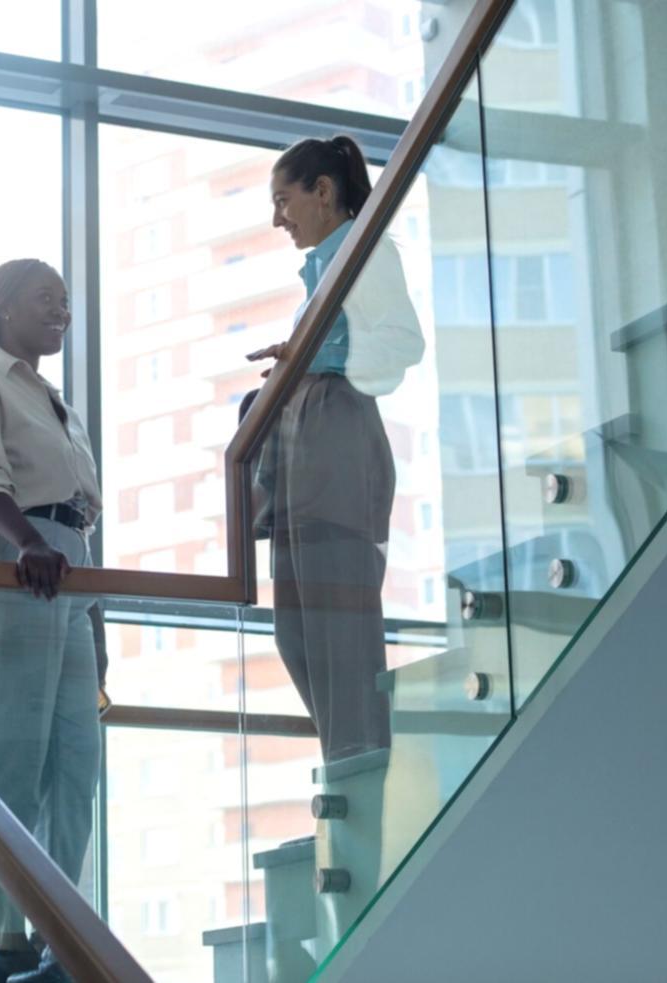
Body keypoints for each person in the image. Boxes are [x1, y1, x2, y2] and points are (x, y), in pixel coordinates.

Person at [0, 259, 103, 983]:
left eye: (65, 302)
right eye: (46, 299)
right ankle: (4, 941)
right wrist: (30, 543)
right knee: (12, 758)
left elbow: (80, 515)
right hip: (13, 560)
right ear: (5, 307)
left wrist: (96, 626)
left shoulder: (53, 400)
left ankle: (57, 936)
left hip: (66, 570)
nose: (61, 311)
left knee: (75, 764)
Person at [245, 135, 424, 763]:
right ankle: (348, 759)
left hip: (338, 447)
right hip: (307, 453)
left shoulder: (363, 253)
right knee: (297, 632)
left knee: (337, 631)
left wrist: (314, 356)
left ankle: (360, 765)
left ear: (323, 192)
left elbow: (403, 342)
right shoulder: (322, 273)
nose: (278, 219)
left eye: (283, 200)